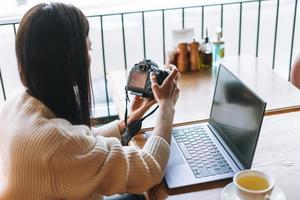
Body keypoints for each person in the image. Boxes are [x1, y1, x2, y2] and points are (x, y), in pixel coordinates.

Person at [0, 2, 180, 200]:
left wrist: (125, 124)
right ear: (69, 58)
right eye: (89, 48)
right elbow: (149, 170)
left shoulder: (16, 104)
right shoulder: (57, 146)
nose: (90, 56)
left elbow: (77, 144)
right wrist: (167, 107)